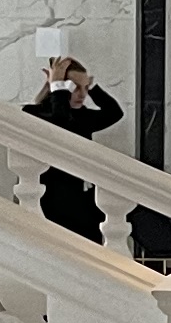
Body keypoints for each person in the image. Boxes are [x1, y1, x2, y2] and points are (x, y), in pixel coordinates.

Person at [24, 44, 125, 240]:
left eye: (85, 88)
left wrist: (92, 87)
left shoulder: (83, 116)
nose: (82, 94)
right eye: (75, 87)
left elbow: (114, 113)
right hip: (48, 198)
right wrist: (57, 88)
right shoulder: (34, 113)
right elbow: (61, 126)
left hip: (79, 200)